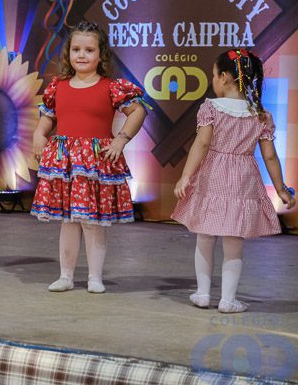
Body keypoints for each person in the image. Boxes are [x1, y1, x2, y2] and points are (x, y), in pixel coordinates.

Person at [172, 48, 295, 313]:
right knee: (234, 242)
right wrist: (281, 189)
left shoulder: (210, 108)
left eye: (214, 75)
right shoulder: (261, 115)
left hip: (213, 175)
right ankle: (228, 300)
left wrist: (186, 176)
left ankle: (203, 294)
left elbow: (202, 144)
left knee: (205, 236)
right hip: (243, 179)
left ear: (225, 77)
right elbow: (270, 156)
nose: (213, 81)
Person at [32, 21, 147, 293]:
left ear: (101, 54)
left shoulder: (111, 87)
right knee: (68, 221)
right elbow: (48, 117)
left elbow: (138, 111)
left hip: (95, 163)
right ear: (68, 53)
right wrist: (39, 134)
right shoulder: (58, 86)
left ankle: (95, 277)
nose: (81, 55)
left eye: (89, 50)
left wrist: (121, 139)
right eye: (76, 50)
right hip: (66, 162)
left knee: (92, 222)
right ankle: (66, 275)